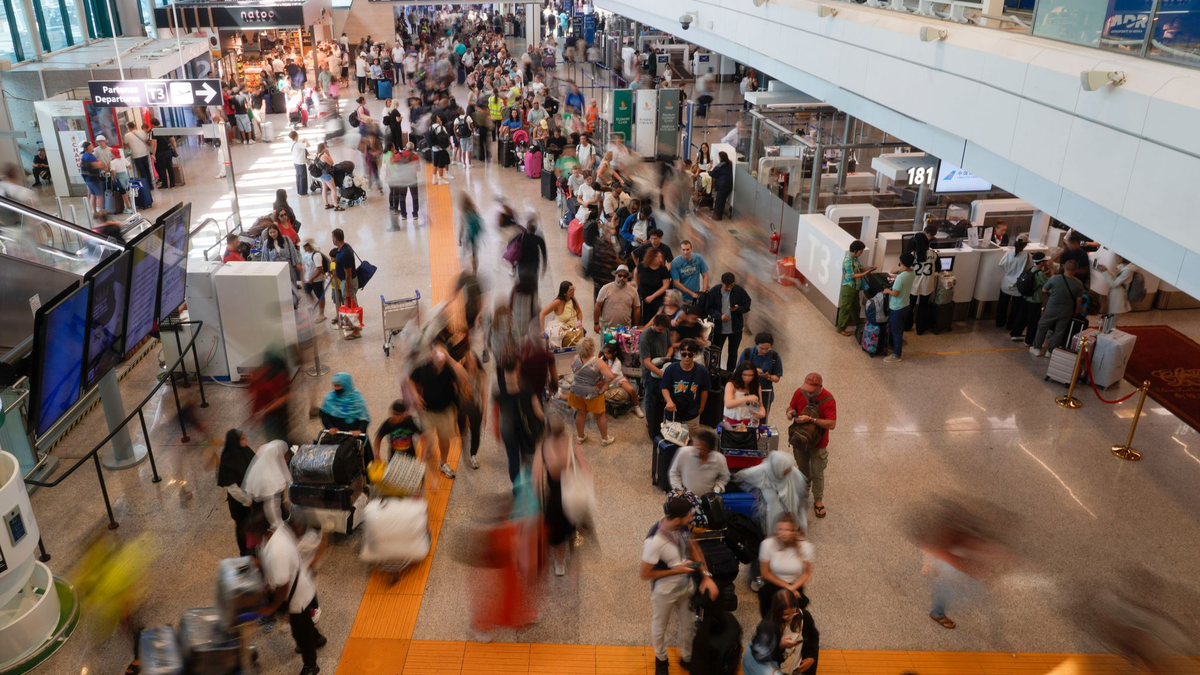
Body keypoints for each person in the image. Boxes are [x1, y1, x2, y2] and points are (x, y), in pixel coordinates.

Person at [641, 496, 720, 675]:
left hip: (686, 586)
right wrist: (675, 571)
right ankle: (661, 659)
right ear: (677, 518)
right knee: (660, 627)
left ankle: (686, 656)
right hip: (664, 591)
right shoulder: (654, 541)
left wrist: (706, 576)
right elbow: (645, 574)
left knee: (688, 623)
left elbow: (694, 548)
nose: (692, 518)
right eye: (689, 515)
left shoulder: (682, 526)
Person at [252, 514, 327, 675]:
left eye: (250, 534)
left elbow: (283, 586)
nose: (248, 538)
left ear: (258, 532)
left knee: (301, 633)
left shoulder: (277, 551)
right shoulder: (272, 534)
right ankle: (318, 639)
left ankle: (311, 665)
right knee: (304, 623)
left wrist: (272, 607)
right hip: (300, 589)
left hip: (297, 596)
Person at [409, 341, 472, 479]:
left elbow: (464, 376)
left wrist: (448, 359)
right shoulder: (423, 368)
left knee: (444, 439)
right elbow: (411, 380)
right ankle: (425, 462)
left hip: (446, 411)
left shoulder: (450, 369)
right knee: (428, 441)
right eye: (435, 352)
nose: (438, 356)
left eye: (441, 352)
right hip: (427, 412)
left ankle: (443, 463)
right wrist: (415, 396)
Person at [533, 418, 586, 576]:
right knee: (569, 522)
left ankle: (560, 564)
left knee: (557, 533)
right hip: (573, 495)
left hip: (557, 499)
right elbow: (584, 468)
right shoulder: (571, 444)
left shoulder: (543, 447)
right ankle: (571, 532)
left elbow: (536, 477)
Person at [786, 372, 836, 519]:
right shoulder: (799, 392)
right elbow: (790, 408)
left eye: (811, 389)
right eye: (806, 388)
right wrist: (790, 413)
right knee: (802, 468)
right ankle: (804, 490)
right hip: (800, 441)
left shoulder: (828, 399)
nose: (808, 392)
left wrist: (811, 419)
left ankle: (818, 500)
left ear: (820, 387)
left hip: (818, 443)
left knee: (817, 471)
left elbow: (831, 424)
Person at [743, 590, 820, 675]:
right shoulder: (768, 627)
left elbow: (814, 636)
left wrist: (812, 657)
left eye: (794, 612)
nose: (791, 617)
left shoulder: (804, 616)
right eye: (786, 615)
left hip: (799, 667)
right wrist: (780, 645)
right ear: (777, 611)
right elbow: (764, 657)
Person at [735, 450, 808, 539]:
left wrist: (802, 522)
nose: (789, 472)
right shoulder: (761, 472)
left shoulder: (794, 475)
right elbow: (740, 477)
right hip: (769, 523)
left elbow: (801, 502)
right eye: (786, 470)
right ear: (777, 468)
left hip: (790, 522)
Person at [493, 358, 545, 483]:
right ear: (517, 369)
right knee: (528, 457)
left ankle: (517, 489)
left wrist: (497, 432)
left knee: (513, 459)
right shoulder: (525, 386)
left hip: (508, 430)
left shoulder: (499, 388)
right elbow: (537, 409)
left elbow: (496, 413)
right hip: (525, 428)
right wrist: (544, 423)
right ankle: (531, 485)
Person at [756, 513, 814, 618]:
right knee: (769, 617)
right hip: (773, 585)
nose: (784, 533)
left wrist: (791, 589)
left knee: (793, 618)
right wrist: (788, 589)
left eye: (788, 530)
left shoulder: (806, 547)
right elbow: (766, 573)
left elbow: (806, 574)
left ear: (795, 531)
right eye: (781, 529)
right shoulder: (767, 545)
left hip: (795, 585)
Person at [1030, 259, 1085, 357]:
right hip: (1066, 310)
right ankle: (1050, 351)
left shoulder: (1055, 278)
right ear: (1076, 270)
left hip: (1052, 308)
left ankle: (1037, 348)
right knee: (1060, 330)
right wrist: (1076, 310)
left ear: (1064, 267)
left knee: (1043, 327)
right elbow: (1079, 299)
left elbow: (1044, 290)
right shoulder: (1079, 283)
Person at [568, 337, 617, 446]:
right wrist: (604, 382)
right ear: (592, 349)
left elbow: (573, 369)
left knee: (581, 413)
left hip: (576, 391)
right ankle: (605, 439)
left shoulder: (575, 357)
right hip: (592, 393)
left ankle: (580, 437)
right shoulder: (598, 362)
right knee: (600, 415)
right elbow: (610, 376)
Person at [661, 339, 711, 437]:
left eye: (690, 355)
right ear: (679, 353)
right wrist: (669, 401)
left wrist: (701, 408)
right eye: (684, 354)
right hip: (673, 413)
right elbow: (664, 387)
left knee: (691, 440)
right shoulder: (671, 369)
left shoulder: (702, 371)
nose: (687, 357)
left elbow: (704, 390)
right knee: (671, 441)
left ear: (695, 354)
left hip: (691, 414)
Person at [217, 429, 256, 556]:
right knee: (242, 528)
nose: (245, 438)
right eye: (241, 438)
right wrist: (247, 500)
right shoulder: (228, 462)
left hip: (251, 497)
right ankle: (244, 552)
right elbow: (232, 488)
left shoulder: (246, 450)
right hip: (240, 503)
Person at [705, 272, 752, 372]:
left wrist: (738, 309)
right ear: (722, 282)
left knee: (733, 353)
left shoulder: (739, 291)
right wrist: (719, 316)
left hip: (736, 329)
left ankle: (730, 373)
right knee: (716, 352)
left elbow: (747, 305)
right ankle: (715, 371)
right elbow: (709, 308)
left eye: (731, 285)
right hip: (719, 329)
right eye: (727, 286)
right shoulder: (714, 291)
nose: (729, 288)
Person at [241, 439, 291, 528]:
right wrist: (278, 527)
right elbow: (272, 507)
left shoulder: (264, 462)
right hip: (268, 518)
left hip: (261, 508)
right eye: (285, 455)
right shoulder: (270, 479)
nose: (286, 459)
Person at [320, 372, 372, 452]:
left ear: (346, 385)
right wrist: (330, 426)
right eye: (335, 385)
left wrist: (360, 430)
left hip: (354, 439)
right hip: (335, 437)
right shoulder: (330, 398)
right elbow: (324, 415)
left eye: (338, 385)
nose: (336, 389)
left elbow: (364, 419)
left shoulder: (357, 400)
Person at [667, 429, 729, 495]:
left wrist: (717, 489)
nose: (700, 451)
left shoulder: (719, 459)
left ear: (710, 450)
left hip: (706, 501)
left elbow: (725, 477)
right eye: (698, 447)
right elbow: (674, 473)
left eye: (705, 450)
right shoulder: (684, 453)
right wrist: (680, 492)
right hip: (685, 500)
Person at [737, 333, 783, 419]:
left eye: (767, 349)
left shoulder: (775, 356)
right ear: (756, 344)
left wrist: (768, 377)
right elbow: (738, 370)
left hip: (765, 391)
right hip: (746, 389)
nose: (764, 351)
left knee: (762, 417)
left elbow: (777, 378)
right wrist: (752, 370)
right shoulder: (747, 353)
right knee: (743, 416)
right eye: (761, 348)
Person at [882, 253, 915, 362]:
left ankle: (896, 354)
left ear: (902, 262)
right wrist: (901, 267)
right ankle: (896, 347)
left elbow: (895, 293)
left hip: (897, 307)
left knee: (895, 330)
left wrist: (887, 291)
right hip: (905, 305)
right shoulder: (912, 272)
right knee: (899, 329)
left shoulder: (901, 277)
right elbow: (894, 270)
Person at [907, 232, 940, 336]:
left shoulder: (911, 255)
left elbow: (903, 267)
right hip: (927, 284)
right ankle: (920, 329)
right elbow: (938, 268)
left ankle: (907, 326)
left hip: (913, 284)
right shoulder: (933, 254)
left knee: (910, 306)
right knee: (923, 307)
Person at [331, 228, 361, 339]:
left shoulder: (345, 253)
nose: (332, 240)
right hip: (345, 281)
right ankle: (354, 326)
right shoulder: (343, 247)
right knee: (350, 305)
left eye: (332, 238)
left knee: (352, 305)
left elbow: (348, 274)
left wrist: (348, 290)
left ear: (336, 238)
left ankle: (357, 331)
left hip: (348, 283)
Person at [724, 361, 768, 437]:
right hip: (734, 422)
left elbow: (760, 405)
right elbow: (728, 404)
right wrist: (746, 398)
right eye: (744, 375)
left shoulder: (757, 386)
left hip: (750, 423)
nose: (747, 378)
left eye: (751, 375)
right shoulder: (731, 385)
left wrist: (762, 413)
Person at [996, 237, 1030, 333]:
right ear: (1025, 245)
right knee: (1016, 307)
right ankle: (1010, 325)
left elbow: (1001, 264)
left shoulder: (1009, 253)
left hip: (1006, 283)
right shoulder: (1027, 256)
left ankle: (1000, 322)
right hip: (1018, 286)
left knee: (1002, 304)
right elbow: (1029, 269)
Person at [1017, 252, 1051, 347]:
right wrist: (1050, 272)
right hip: (1035, 300)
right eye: (1045, 261)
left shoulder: (1031, 269)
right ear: (1042, 262)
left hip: (1026, 298)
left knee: (1022, 317)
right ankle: (1028, 340)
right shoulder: (1040, 273)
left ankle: (1015, 334)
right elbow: (1048, 284)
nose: (1046, 262)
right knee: (1033, 321)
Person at [373, 399, 422, 464]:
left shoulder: (409, 422)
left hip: (410, 457)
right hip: (394, 458)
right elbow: (378, 438)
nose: (394, 417)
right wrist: (376, 454)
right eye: (393, 413)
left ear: (404, 414)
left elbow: (422, 435)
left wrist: (424, 449)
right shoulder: (388, 424)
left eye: (398, 414)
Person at [1098, 256, 1139, 328]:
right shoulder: (1123, 266)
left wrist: (1105, 272)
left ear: (1122, 258)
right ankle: (1104, 335)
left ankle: (1108, 336)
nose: (1115, 258)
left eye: (1117, 256)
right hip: (1115, 294)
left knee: (1112, 320)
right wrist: (1106, 270)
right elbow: (1115, 277)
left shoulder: (1128, 270)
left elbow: (1114, 284)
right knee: (1107, 318)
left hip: (1118, 297)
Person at [595, 264, 641, 329]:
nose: (622, 278)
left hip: (625, 329)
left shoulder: (633, 291)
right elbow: (598, 305)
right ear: (615, 275)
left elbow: (637, 308)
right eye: (619, 275)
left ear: (627, 278)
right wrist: (596, 323)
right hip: (607, 328)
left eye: (625, 276)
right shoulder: (605, 288)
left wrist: (635, 326)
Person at [387, 141, 422, 222]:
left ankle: (403, 215)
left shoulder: (399, 155)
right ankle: (415, 214)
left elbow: (391, 162)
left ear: (406, 147)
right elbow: (418, 169)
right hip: (412, 178)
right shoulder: (415, 156)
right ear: (413, 148)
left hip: (402, 179)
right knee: (415, 196)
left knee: (402, 196)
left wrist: (393, 153)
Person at [300, 240, 328, 321]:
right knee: (307, 291)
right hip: (308, 279)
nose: (304, 247)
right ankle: (314, 305)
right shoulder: (305, 254)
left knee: (320, 296)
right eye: (304, 246)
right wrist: (303, 277)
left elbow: (320, 269)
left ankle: (321, 314)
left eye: (306, 246)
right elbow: (304, 267)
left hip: (317, 280)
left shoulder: (316, 255)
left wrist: (312, 279)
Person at [458, 194, 484, 271]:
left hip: (468, 234)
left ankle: (463, 258)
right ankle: (475, 270)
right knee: (474, 252)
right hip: (475, 234)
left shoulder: (463, 212)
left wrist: (460, 238)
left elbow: (461, 228)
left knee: (465, 246)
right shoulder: (473, 208)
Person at [79, 142, 106, 215]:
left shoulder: (84, 156)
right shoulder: (89, 157)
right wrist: (99, 161)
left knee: (93, 195)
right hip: (94, 179)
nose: (93, 146)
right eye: (91, 145)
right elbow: (98, 165)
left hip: (88, 179)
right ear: (88, 147)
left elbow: (80, 164)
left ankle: (94, 211)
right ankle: (101, 212)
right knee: (99, 196)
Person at [710, 151, 734, 220]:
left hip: (722, 187)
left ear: (721, 157)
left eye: (718, 157)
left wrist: (709, 170)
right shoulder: (729, 163)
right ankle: (719, 216)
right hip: (729, 186)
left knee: (718, 202)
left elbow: (712, 173)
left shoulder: (720, 165)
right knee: (722, 201)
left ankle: (716, 217)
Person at [289, 130, 309, 196]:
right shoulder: (299, 144)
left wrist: (302, 142)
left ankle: (299, 190)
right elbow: (308, 145)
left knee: (298, 176)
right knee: (303, 177)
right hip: (301, 162)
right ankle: (303, 192)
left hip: (295, 162)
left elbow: (299, 145)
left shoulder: (292, 143)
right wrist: (306, 140)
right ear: (296, 136)